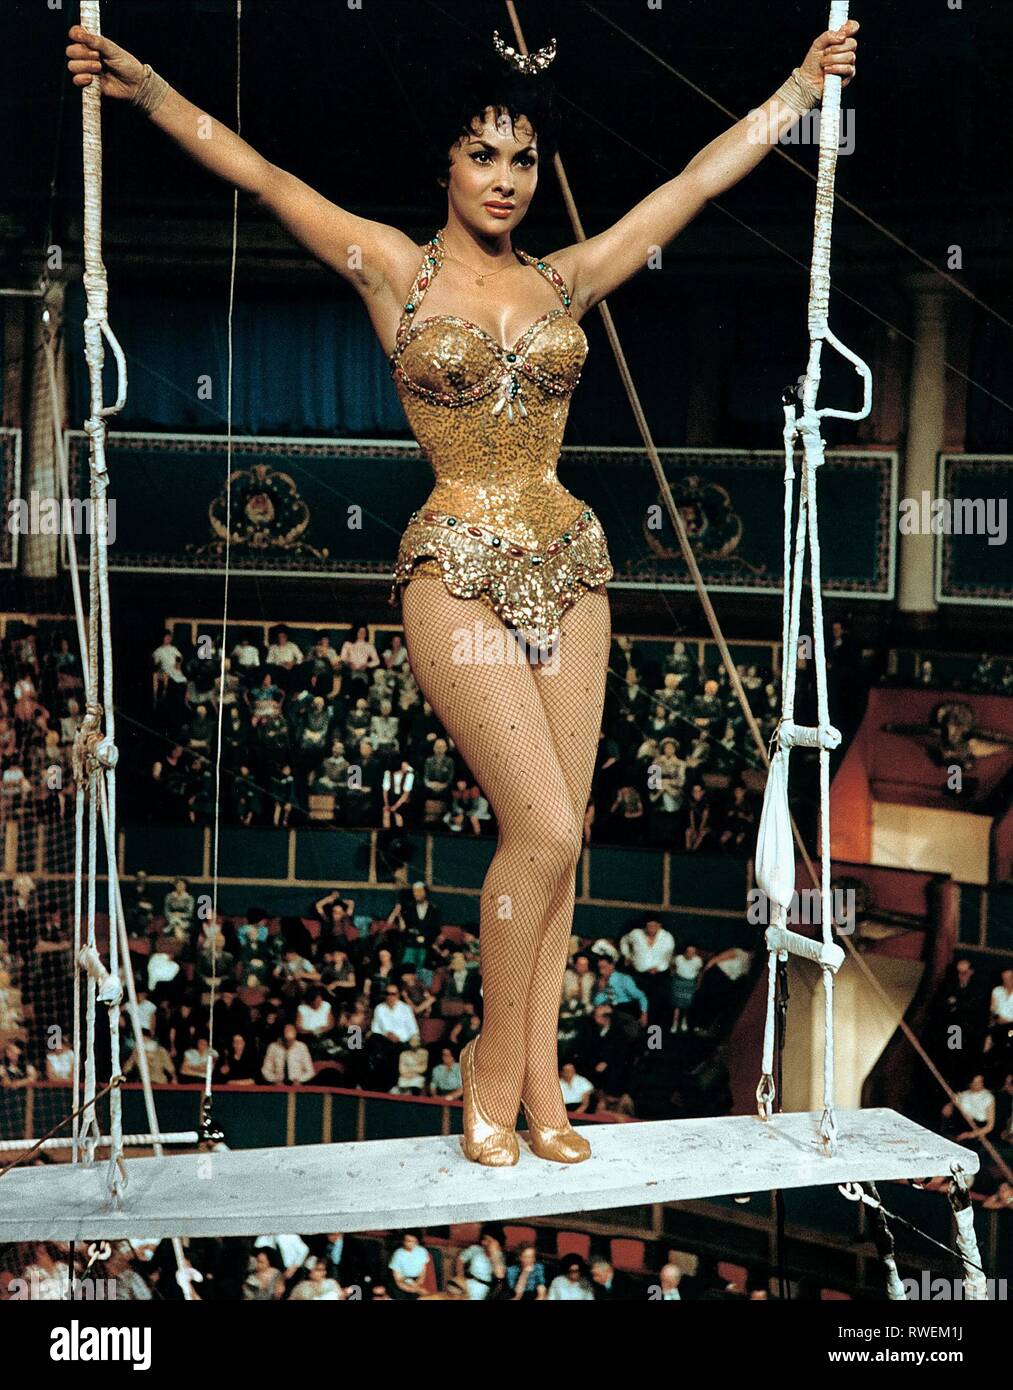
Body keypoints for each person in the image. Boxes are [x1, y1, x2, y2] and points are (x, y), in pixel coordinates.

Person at [65, 14, 857, 1168]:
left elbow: (691, 181)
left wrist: (797, 84)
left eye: (523, 157)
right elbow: (265, 173)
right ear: (443, 164)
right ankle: (483, 1078)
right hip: (454, 567)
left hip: (573, 562)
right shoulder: (394, 265)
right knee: (534, 823)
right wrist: (142, 87)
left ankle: (544, 1094)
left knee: (570, 836)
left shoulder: (566, 276)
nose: (505, 178)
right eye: (482, 154)